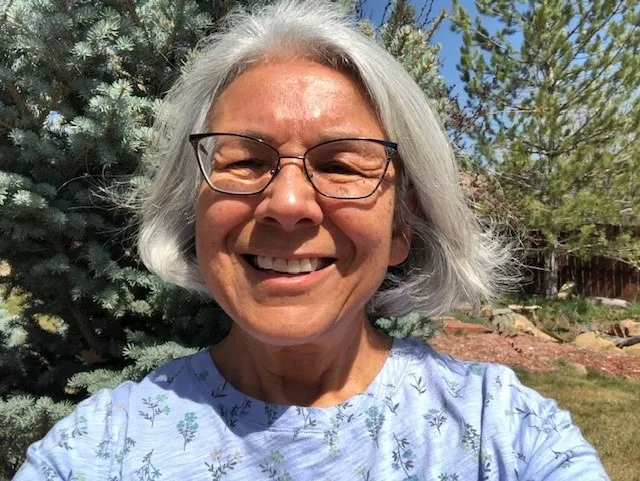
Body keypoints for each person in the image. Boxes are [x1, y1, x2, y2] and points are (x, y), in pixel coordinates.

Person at [14, 1, 609, 480]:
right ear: (193, 209)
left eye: (342, 165)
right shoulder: (97, 450)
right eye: (245, 161)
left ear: (402, 227)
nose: (289, 204)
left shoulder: (507, 436)